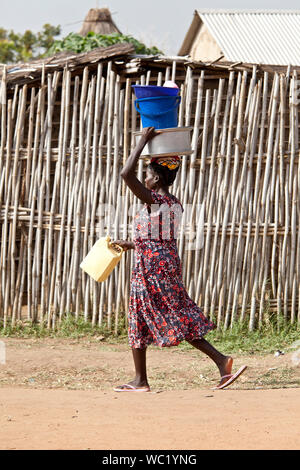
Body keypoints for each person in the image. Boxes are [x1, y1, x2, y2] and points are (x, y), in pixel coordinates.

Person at [112, 127, 246, 392]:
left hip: (153, 269)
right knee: (142, 316)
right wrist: (129, 244)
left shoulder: (156, 200)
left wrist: (142, 141)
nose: (144, 178)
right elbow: (158, 239)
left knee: (174, 317)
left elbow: (125, 174)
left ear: (157, 178)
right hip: (160, 264)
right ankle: (141, 380)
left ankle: (221, 361)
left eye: (148, 174)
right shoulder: (173, 202)